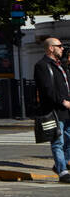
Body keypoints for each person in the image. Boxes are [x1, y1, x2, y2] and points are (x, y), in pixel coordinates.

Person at [33, 37, 70, 184]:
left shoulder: (60, 65)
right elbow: (47, 89)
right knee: (57, 141)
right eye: (59, 46)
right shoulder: (42, 66)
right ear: (50, 48)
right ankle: (63, 171)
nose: (62, 48)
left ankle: (62, 163)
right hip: (54, 110)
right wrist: (63, 101)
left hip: (66, 110)